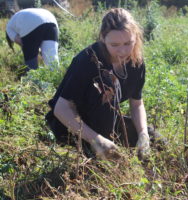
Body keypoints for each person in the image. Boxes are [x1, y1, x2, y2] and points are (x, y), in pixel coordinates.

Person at [45, 8, 159, 160]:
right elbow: (60, 109)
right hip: (72, 125)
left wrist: (143, 133)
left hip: (106, 119)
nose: (122, 51)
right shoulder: (88, 60)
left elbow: (136, 104)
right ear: (103, 39)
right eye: (114, 45)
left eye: (128, 43)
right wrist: (96, 139)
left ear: (136, 38)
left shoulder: (136, 62)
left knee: (156, 141)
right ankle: (93, 151)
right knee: (108, 82)